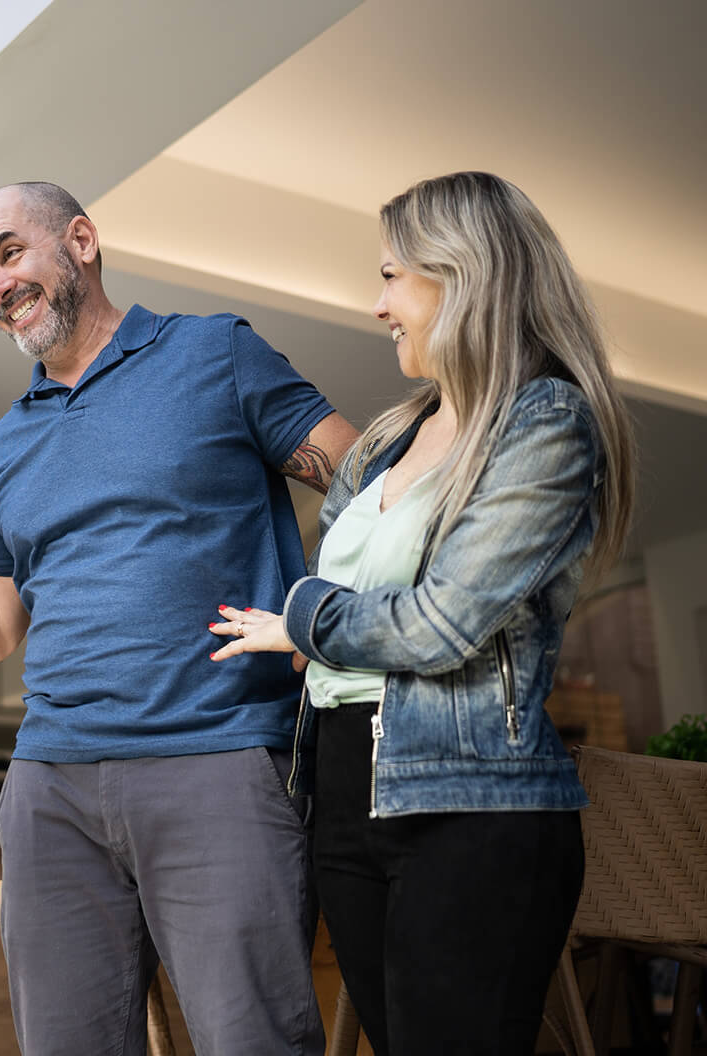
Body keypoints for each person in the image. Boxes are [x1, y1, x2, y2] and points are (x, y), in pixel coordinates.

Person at [0, 181, 358, 1054]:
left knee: (255, 1041)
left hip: (219, 758)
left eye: (10, 253)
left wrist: (320, 625)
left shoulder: (213, 354)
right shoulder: (3, 446)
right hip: (52, 786)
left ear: (80, 240)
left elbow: (363, 485)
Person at [211, 171, 635, 1055]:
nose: (377, 305)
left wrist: (306, 621)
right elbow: (343, 599)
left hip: (467, 802)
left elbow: (441, 624)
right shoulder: (390, 435)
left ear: (464, 274)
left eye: (393, 276)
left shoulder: (544, 420)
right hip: (342, 788)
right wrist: (311, 627)